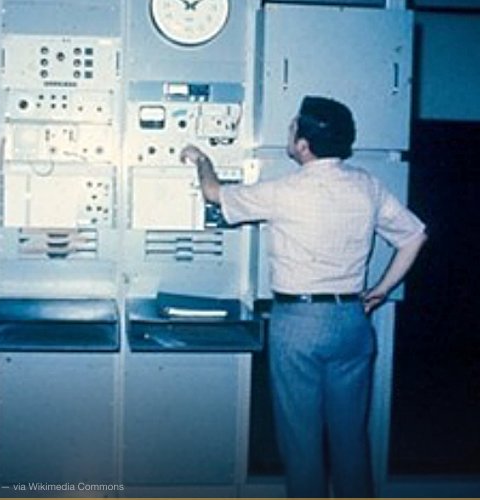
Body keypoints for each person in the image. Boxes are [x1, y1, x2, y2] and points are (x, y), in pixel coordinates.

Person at [180, 96, 427, 497]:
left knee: (302, 445)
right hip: (352, 321)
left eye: (293, 127)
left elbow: (213, 193)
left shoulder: (284, 191)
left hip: (298, 324)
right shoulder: (366, 185)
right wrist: (380, 290)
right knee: (351, 441)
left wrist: (201, 157)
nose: (290, 131)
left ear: (303, 145)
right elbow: (415, 235)